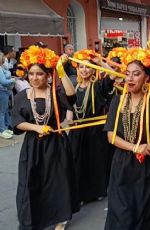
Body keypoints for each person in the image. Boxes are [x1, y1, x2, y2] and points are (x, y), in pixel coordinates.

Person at [104, 29, 150, 229]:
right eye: (127, 74)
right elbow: (111, 136)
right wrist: (134, 147)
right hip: (123, 166)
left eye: (136, 74)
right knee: (122, 215)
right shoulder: (118, 101)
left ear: (146, 77)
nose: (130, 78)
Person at [11, 45, 79, 230]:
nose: (34, 78)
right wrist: (37, 127)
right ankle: (33, 217)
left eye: (39, 74)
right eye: (31, 74)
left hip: (56, 144)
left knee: (58, 181)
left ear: (48, 75)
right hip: (33, 146)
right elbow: (17, 122)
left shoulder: (55, 94)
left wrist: (61, 71)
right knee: (31, 181)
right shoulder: (22, 97)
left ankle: (60, 219)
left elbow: (71, 96)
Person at [66, 49, 116, 205]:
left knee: (96, 160)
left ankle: (98, 190)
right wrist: (69, 118)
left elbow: (113, 75)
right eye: (81, 67)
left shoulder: (98, 86)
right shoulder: (73, 87)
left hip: (95, 131)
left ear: (93, 69)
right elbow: (69, 106)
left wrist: (100, 62)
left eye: (88, 67)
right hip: (77, 131)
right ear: (77, 69)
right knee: (78, 162)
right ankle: (80, 194)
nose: (84, 70)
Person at [0, 52, 15, 139]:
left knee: (4, 111)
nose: (4, 59)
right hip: (2, 91)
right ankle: (2, 130)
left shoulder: (2, 68)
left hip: (4, 91)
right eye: (2, 57)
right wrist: (13, 80)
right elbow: (4, 82)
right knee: (2, 112)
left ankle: (5, 127)